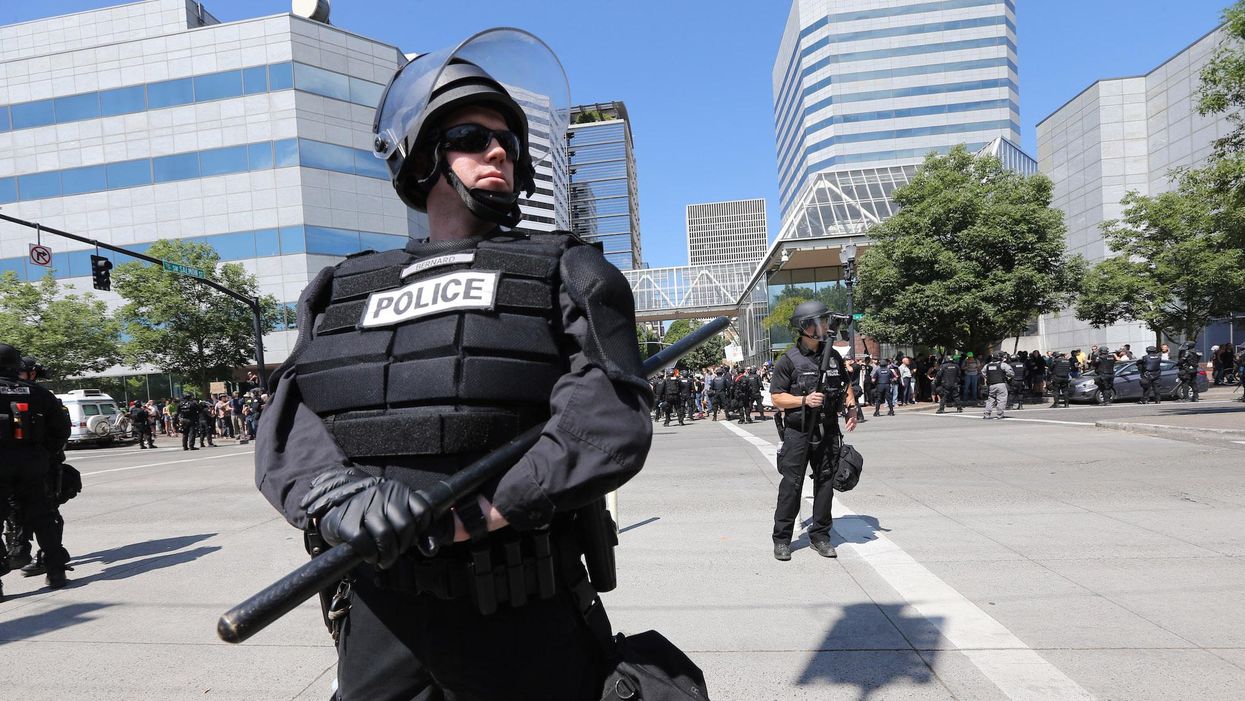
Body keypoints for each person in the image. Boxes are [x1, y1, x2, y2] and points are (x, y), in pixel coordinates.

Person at [252, 31, 658, 700]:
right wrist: (334, 500)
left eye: (508, 141)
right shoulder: (341, 287)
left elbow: (607, 420)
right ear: (421, 158)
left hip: (520, 609)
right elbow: (288, 422)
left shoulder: (569, 269)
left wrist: (471, 517)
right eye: (471, 137)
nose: (498, 151)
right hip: (379, 615)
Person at [769, 301, 857, 561]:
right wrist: (803, 400)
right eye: (819, 322)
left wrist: (851, 408)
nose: (824, 327)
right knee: (791, 485)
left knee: (826, 482)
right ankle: (782, 539)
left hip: (828, 429)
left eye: (825, 321)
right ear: (804, 327)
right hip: (798, 431)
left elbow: (845, 384)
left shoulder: (833, 356)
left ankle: (820, 536)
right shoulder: (788, 360)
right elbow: (776, 397)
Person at [0, 344, 72, 597]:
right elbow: (61, 429)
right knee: (43, 517)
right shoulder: (39, 393)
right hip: (33, 463)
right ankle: (56, 572)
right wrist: (43, 453)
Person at [981, 352, 1014, 419]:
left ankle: (987, 414)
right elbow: (1011, 373)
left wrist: (989, 377)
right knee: (1001, 399)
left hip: (991, 385)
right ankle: (1000, 414)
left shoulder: (987, 365)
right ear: (1000, 357)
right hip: (1001, 384)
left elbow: (983, 372)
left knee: (990, 399)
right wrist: (1007, 376)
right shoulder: (1003, 365)